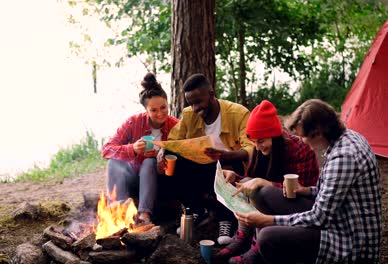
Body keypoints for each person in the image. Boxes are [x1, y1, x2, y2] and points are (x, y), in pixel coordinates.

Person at [233, 99, 382, 264]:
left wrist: (268, 220)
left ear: (318, 132)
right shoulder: (347, 137)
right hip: (340, 218)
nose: (302, 140)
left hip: (350, 241)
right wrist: (305, 190)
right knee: (265, 193)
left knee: (267, 236)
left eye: (303, 136)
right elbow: (330, 193)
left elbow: (320, 218)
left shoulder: (343, 157)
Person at [217, 100, 319, 263]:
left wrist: (269, 184)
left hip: (303, 208)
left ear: (274, 135)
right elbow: (253, 179)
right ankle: (243, 238)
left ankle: (257, 248)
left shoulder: (300, 149)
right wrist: (235, 177)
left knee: (261, 190)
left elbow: (304, 191)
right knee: (248, 184)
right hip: (274, 201)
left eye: (262, 141)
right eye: (254, 142)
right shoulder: (260, 150)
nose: (257, 147)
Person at [159, 73, 254, 244]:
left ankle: (227, 219)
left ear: (211, 94)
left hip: (230, 167)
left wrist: (226, 155)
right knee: (169, 159)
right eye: (191, 103)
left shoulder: (238, 113)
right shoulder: (189, 115)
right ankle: (196, 209)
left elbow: (250, 148)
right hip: (203, 168)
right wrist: (163, 151)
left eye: (198, 102)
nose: (195, 108)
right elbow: (174, 141)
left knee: (229, 165)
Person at [101, 72, 178, 224]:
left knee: (149, 162)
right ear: (146, 110)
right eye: (153, 110)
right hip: (134, 178)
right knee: (114, 162)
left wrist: (165, 157)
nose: (160, 113)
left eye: (163, 107)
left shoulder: (176, 126)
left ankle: (144, 216)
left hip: (161, 181)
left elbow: (186, 153)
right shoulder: (133, 122)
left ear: (168, 104)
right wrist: (133, 149)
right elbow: (107, 149)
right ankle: (119, 211)